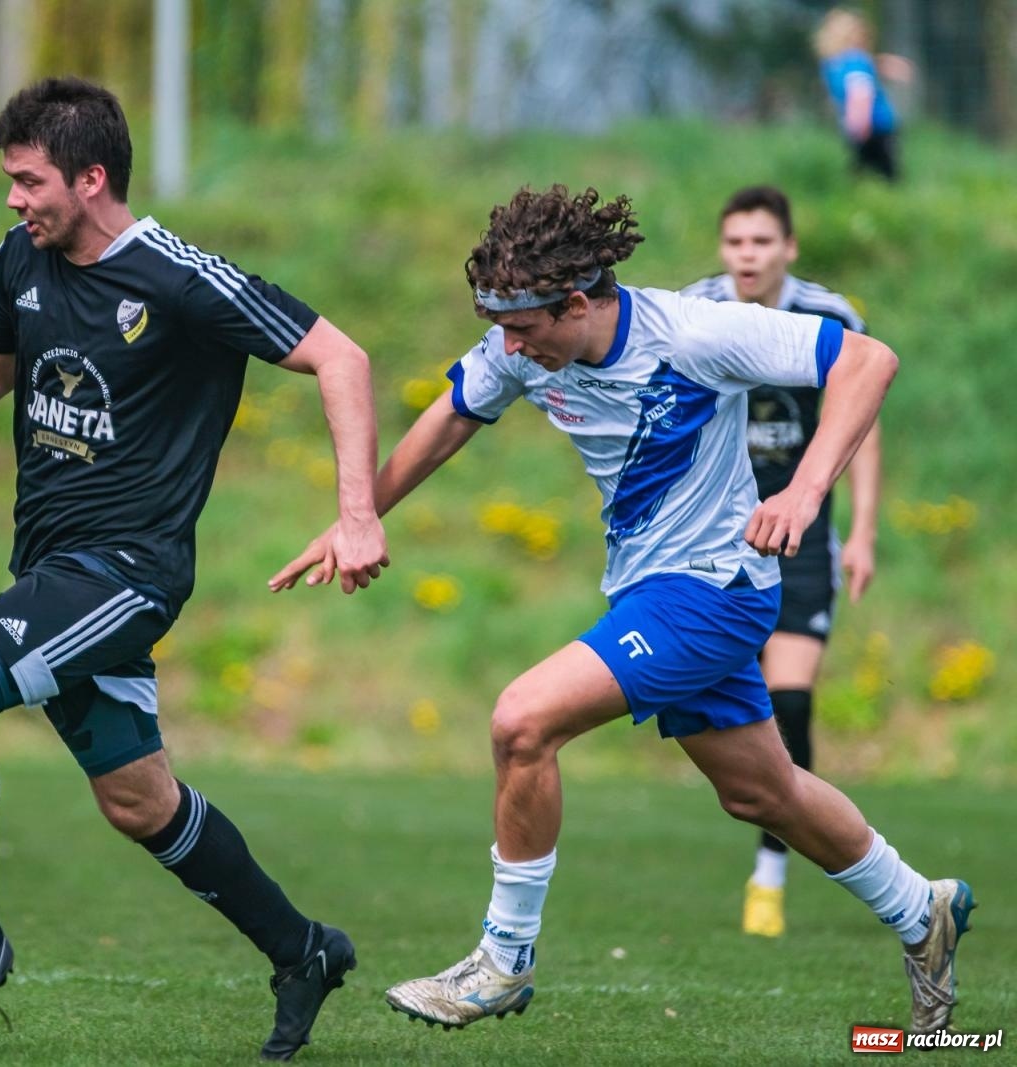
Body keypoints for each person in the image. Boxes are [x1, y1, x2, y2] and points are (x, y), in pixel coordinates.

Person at [271, 185, 973, 1035]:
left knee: (522, 721)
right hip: (652, 589)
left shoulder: (695, 331)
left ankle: (504, 958)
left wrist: (804, 488)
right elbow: (451, 418)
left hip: (713, 591)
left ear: (574, 303)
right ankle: (919, 908)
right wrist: (358, 516)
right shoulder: (523, 345)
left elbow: (870, 361)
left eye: (522, 327)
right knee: (763, 791)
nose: (507, 346)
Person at [0, 77, 386, 1058]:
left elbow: (344, 358)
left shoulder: (179, 277)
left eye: (28, 181)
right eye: (10, 181)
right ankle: (303, 950)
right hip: (51, 565)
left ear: (92, 175)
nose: (13, 200)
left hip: (125, 573)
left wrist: (356, 513)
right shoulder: (21, 258)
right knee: (139, 801)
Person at [682, 184, 880, 939]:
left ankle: (771, 872)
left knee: (789, 699)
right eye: (735, 242)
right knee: (731, 708)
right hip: (714, 539)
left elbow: (862, 423)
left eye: (761, 242)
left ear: (787, 248)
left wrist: (861, 531)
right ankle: (783, 830)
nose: (747, 256)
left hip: (801, 539)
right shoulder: (693, 308)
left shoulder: (830, 318)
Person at [814, 7, 910, 181]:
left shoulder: (838, 64)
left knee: (871, 168)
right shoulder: (852, 61)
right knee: (879, 170)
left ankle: (873, 198)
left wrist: (858, 125)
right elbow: (862, 85)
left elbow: (860, 88)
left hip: (865, 126)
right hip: (871, 125)